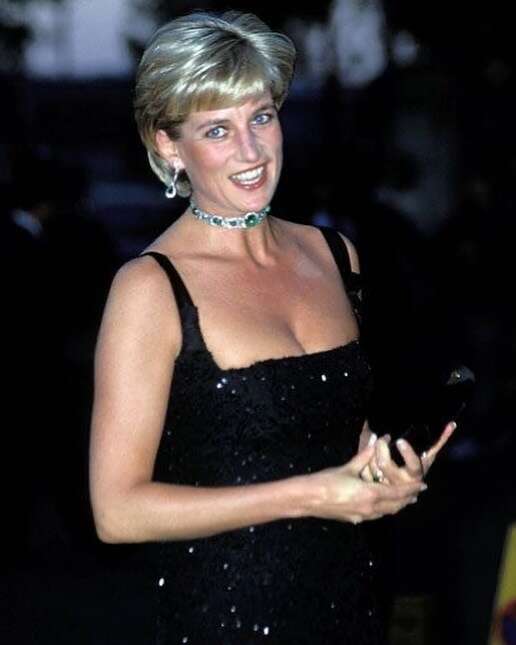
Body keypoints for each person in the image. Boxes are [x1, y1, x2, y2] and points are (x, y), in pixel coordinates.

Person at [89, 11, 454, 644]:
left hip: (350, 603)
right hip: (227, 614)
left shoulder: (334, 255)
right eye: (217, 130)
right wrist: (310, 495)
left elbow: (334, 432)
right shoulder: (150, 290)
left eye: (260, 117)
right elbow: (117, 512)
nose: (251, 151)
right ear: (169, 146)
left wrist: (381, 469)